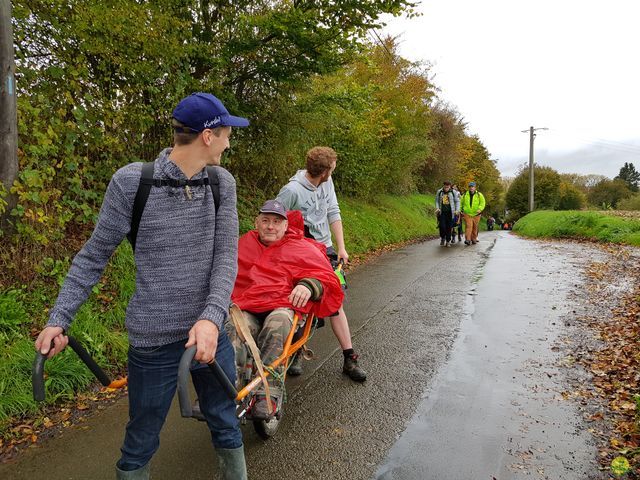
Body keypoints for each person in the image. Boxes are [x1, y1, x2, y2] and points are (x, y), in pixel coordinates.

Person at [34, 92, 249, 480]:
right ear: (207, 135)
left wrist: (211, 319)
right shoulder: (133, 182)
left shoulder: (222, 184)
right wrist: (58, 319)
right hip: (153, 340)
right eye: (226, 133)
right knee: (141, 438)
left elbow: (225, 260)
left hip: (211, 334)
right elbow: (93, 254)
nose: (230, 141)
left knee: (224, 420)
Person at [228, 200, 344, 419]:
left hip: (282, 306)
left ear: (285, 226)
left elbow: (325, 276)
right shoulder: (244, 244)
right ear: (257, 223)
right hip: (247, 306)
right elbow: (225, 272)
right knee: (233, 326)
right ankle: (225, 389)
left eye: (276, 222)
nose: (270, 226)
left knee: (278, 323)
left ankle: (268, 392)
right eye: (265, 221)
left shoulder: (299, 246)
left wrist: (308, 285)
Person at [276, 146, 367, 382]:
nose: (333, 171)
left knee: (335, 301)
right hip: (302, 253)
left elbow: (333, 212)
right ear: (324, 170)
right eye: (332, 168)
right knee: (300, 301)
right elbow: (275, 222)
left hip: (325, 250)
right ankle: (295, 352)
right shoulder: (291, 191)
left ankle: (349, 357)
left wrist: (341, 247)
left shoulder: (327, 183)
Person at [435, 181, 460, 247]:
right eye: (445, 187)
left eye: (448, 187)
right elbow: (437, 201)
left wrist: (457, 210)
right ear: (443, 186)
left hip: (450, 213)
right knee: (442, 226)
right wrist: (437, 208)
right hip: (442, 212)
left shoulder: (453, 192)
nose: (446, 188)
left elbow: (457, 201)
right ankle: (443, 238)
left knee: (449, 227)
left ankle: (448, 241)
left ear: (450, 186)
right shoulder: (439, 192)